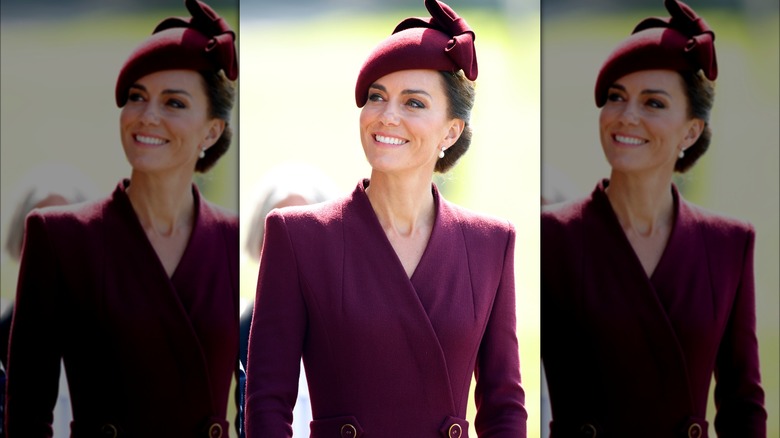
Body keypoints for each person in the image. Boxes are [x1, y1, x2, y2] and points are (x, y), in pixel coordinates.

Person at [244, 0, 527, 436]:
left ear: (451, 131)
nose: (387, 116)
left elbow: (504, 408)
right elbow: (266, 404)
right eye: (377, 96)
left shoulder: (492, 243)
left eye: (413, 102)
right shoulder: (297, 236)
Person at [4, 0, 240, 436]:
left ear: (212, 131)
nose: (147, 116)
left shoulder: (233, 239)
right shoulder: (58, 237)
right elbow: (26, 413)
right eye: (137, 97)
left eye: (173, 102)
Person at [541, 1, 767, 436]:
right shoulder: (553, 237)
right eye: (616, 97)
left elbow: (742, 404)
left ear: (691, 131)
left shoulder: (729, 244)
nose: (627, 116)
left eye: (653, 103)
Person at [238, 163, 340, 437]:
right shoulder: (231, 336)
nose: (290, 256)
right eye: (277, 240)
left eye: (302, 241)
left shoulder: (356, 336)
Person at [1, 163, 100, 438]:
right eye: (36, 238)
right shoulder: (2, 333)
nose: (49, 255)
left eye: (63, 241)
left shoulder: (114, 336)